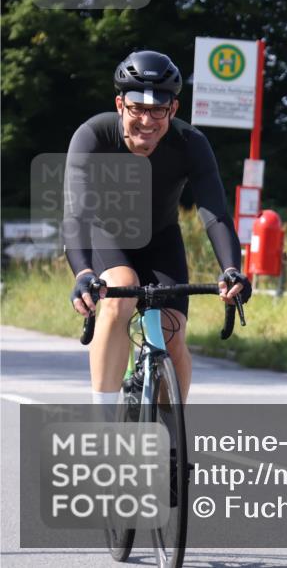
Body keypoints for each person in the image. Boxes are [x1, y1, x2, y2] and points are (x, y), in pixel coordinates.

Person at [66, 50, 251, 407]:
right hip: (109, 235)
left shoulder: (191, 143)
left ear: (173, 110)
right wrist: (84, 271)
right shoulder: (93, 137)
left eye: (158, 111)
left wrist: (231, 269)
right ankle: (103, 422)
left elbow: (214, 214)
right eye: (137, 108)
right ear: (120, 104)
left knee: (174, 334)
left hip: (162, 240)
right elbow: (77, 215)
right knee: (121, 292)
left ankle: (171, 438)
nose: (147, 121)